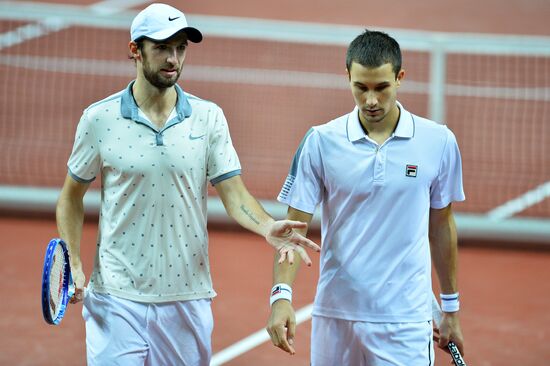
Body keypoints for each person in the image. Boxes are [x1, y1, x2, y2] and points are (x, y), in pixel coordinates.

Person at [56, 3, 319, 365]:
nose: (173, 58)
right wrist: (74, 259)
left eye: (180, 48)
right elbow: (71, 196)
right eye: (163, 47)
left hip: (186, 298)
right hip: (116, 297)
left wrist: (267, 226)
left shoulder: (208, 118)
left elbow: (234, 192)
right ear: (135, 49)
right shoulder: (98, 119)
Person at [266, 29, 466, 365]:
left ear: (399, 78)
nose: (371, 100)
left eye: (381, 87)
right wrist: (281, 296)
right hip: (335, 315)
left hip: (405, 321)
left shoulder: (439, 142)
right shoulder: (321, 141)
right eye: (361, 87)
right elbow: (293, 230)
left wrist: (451, 309)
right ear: (347, 77)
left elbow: (442, 226)